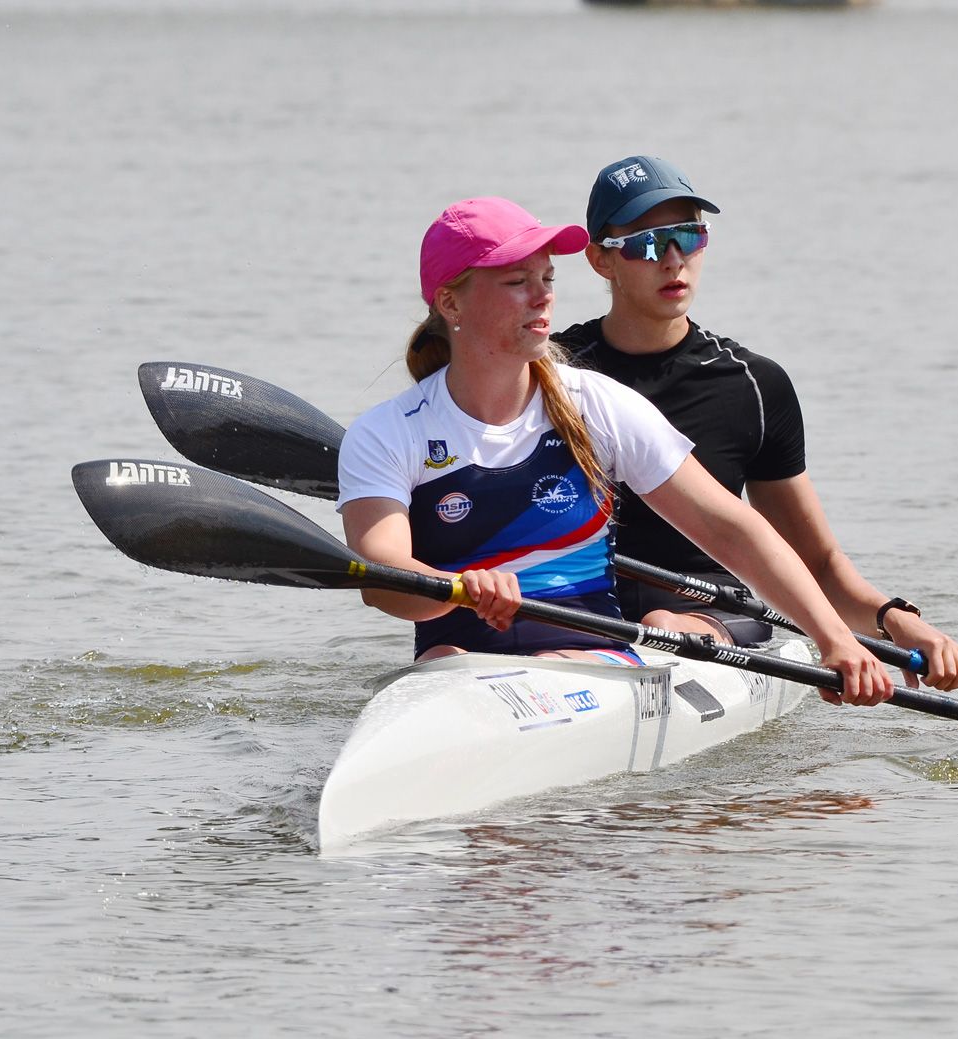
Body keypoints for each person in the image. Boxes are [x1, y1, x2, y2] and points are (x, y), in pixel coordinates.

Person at [336, 196, 892, 705]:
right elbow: (383, 579)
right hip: (454, 664)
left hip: (594, 663)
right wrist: (458, 590)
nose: (543, 295)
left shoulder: (597, 405)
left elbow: (732, 531)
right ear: (451, 303)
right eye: (516, 282)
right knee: (443, 658)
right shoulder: (387, 433)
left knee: (550, 663)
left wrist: (834, 639)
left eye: (548, 277)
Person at [554, 156, 958, 691]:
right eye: (647, 242)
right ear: (600, 260)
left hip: (711, 609)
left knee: (662, 625)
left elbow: (816, 561)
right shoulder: (553, 373)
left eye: (689, 234)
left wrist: (898, 621)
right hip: (580, 603)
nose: (674, 259)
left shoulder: (753, 385)